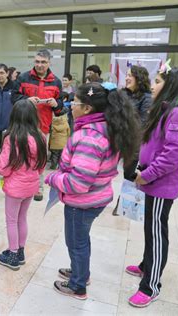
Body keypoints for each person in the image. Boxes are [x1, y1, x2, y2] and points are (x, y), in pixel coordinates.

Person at [45, 82, 140, 300]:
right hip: (95, 198)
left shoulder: (89, 137)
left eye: (75, 102)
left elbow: (78, 183)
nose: (70, 105)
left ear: (87, 108)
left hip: (82, 202)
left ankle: (78, 285)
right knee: (81, 239)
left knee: (76, 242)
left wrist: (53, 178)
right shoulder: (106, 127)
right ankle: (81, 272)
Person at [126, 66, 178, 308]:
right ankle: (146, 265)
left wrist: (148, 175)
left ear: (171, 84)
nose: (152, 84)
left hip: (161, 184)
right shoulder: (168, 107)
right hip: (152, 181)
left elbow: (174, 154)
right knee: (151, 228)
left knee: (157, 232)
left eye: (158, 81)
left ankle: (151, 285)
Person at [0, 99, 47, 270]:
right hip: (31, 185)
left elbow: (4, 167)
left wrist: (1, 168)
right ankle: (21, 251)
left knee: (11, 220)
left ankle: (12, 255)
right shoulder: (41, 136)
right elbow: (41, 165)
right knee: (22, 218)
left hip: (15, 187)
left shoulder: (12, 138)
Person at [12, 48, 64, 201]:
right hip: (23, 124)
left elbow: (60, 107)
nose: (40, 65)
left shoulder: (56, 82)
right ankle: (19, 185)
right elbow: (13, 98)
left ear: (49, 63)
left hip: (43, 126)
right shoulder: (23, 77)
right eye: (37, 61)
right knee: (20, 156)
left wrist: (56, 104)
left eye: (43, 62)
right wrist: (26, 100)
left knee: (39, 158)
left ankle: (37, 188)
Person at [112, 65, 153, 215]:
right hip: (116, 138)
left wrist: (123, 123)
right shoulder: (122, 93)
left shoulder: (147, 97)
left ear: (139, 78)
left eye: (130, 75)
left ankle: (124, 204)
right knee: (106, 168)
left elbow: (143, 122)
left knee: (129, 174)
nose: (127, 78)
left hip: (133, 142)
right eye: (127, 75)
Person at [49, 92, 71, 170]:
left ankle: (53, 165)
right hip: (63, 142)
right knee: (62, 154)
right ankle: (61, 166)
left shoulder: (52, 123)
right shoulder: (65, 122)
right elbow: (68, 132)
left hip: (54, 142)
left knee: (54, 154)